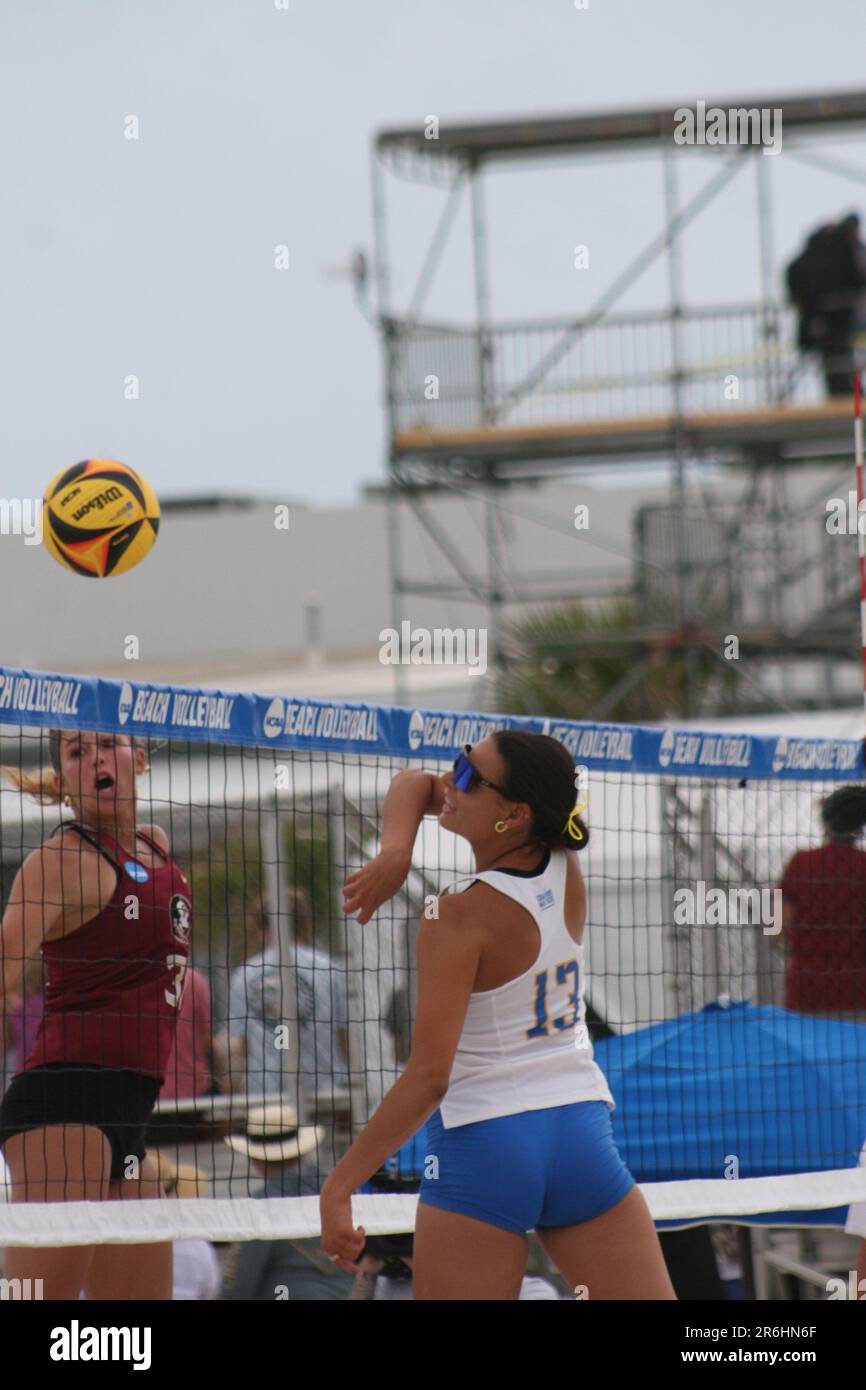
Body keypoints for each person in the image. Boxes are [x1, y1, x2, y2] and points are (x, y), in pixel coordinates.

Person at [322, 733, 676, 1300]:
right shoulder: (566, 868)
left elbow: (429, 1077)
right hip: (579, 1132)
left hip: (486, 1142)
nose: (450, 780)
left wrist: (340, 1186)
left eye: (468, 776)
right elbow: (415, 783)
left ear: (514, 814)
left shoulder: (456, 915)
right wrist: (396, 850)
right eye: (458, 764)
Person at [0, 729, 192, 1300]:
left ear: (138, 759)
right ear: (63, 782)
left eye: (106, 744)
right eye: (77, 753)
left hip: (128, 1114)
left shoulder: (156, 846)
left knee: (134, 1340)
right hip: (63, 1106)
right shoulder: (59, 861)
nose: (95, 760)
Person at [221, 889, 348, 1102]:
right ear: (304, 924)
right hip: (324, 1090)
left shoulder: (245, 975)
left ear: (262, 926)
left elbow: (240, 1046)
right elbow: (343, 1035)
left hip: (264, 1095)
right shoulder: (329, 969)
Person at [220, 1101, 353, 1300]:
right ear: (302, 1149)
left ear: (255, 1158)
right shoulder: (340, 1193)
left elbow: (236, 1287)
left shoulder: (258, 1206)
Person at [778, 785, 866, 1017]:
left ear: (826, 822)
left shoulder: (801, 863)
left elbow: (776, 924)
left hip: (807, 988)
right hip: (857, 990)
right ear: (859, 826)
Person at [786, 213, 866, 396]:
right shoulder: (841, 249)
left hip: (817, 318)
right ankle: (846, 394)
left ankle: (842, 393)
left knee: (834, 361)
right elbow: (856, 278)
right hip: (836, 319)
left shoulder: (818, 246)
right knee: (839, 360)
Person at [160, 963, 215, 1102]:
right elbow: (206, 1040)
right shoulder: (195, 981)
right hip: (192, 1091)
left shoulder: (136, 981)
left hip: (149, 1093)